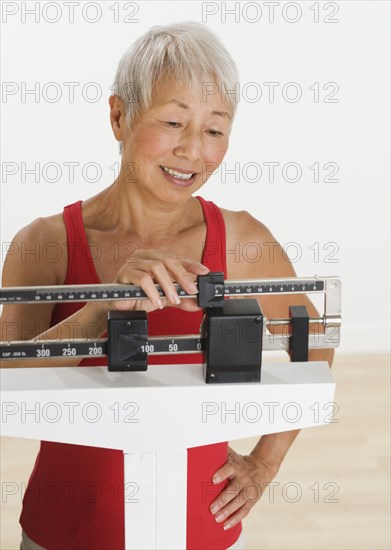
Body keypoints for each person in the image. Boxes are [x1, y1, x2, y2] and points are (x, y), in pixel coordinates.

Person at [1, 22, 334, 550]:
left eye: (214, 130)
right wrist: (101, 307)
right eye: (174, 121)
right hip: (63, 532)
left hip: (202, 530)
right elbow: (6, 381)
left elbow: (315, 340)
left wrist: (264, 464)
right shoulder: (43, 243)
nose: (192, 152)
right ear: (118, 116)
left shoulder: (243, 239)